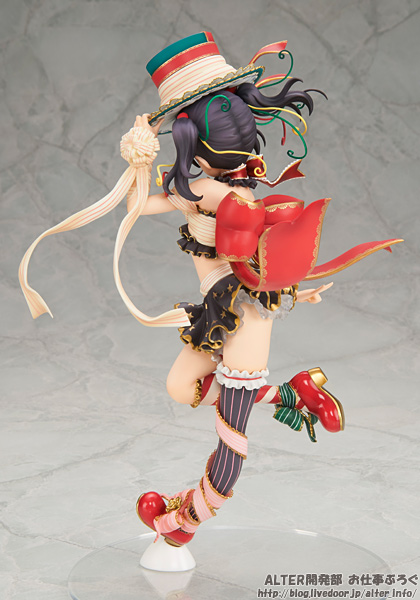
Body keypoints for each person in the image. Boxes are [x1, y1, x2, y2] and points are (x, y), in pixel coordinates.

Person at [19, 32, 402, 548]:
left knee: (231, 440)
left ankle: (182, 524)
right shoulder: (224, 184)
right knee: (182, 387)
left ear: (191, 144)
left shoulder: (209, 188)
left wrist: (142, 159)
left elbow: (148, 206)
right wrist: (141, 162)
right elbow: (161, 212)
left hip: (242, 313)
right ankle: (294, 394)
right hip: (222, 306)